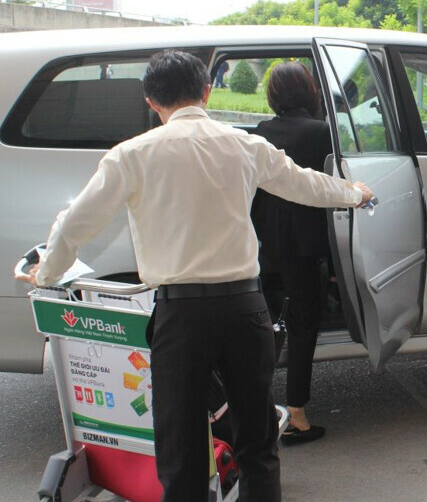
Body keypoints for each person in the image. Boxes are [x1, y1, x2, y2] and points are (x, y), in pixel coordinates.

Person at [15, 50, 373, 501]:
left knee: (180, 450)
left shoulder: (132, 155)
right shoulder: (244, 145)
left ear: (151, 99)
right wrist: (355, 194)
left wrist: (46, 273)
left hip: (179, 317)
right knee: (258, 445)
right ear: (207, 92)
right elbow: (307, 184)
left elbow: (75, 224)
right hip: (245, 309)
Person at [251, 61, 332, 445]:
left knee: (264, 327)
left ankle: (253, 406)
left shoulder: (261, 132)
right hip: (303, 246)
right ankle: (296, 410)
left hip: (265, 243)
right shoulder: (320, 133)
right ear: (309, 91)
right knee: (303, 326)